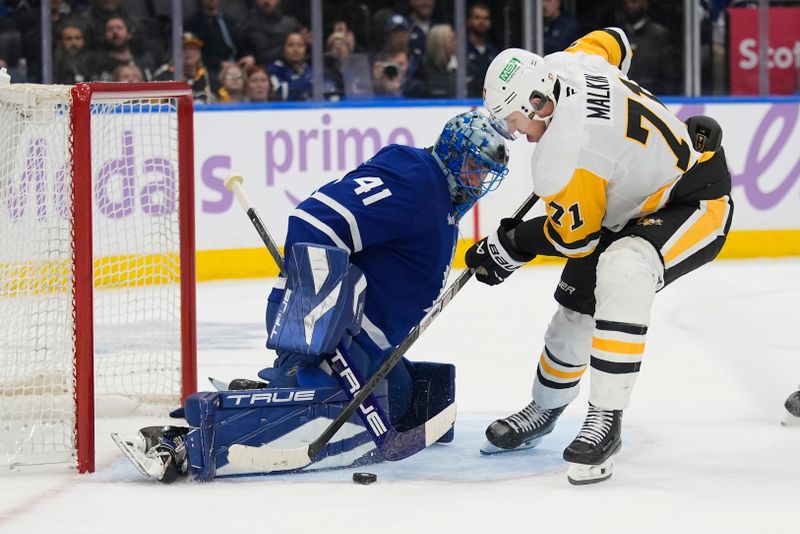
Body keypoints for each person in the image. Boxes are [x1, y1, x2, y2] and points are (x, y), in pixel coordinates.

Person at [116, 110, 512, 482]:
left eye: (486, 173)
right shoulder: (416, 182)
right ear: (452, 151)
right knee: (328, 415)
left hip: (366, 347)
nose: (479, 181)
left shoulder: (437, 192)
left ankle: (280, 386)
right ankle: (178, 443)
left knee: (408, 394)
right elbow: (313, 220)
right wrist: (320, 320)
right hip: (332, 338)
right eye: (475, 167)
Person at [470, 28, 732, 485]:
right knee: (575, 310)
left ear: (539, 102)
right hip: (623, 202)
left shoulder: (566, 156)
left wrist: (510, 246)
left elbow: (574, 241)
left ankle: (605, 420)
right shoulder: (569, 61)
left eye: (514, 120)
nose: (515, 133)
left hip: (690, 201)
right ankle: (545, 408)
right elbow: (616, 39)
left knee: (623, 269)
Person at [466, 2, 498, 97]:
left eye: (485, 19)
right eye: (477, 18)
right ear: (468, 21)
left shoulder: (494, 50)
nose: (482, 22)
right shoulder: (460, 49)